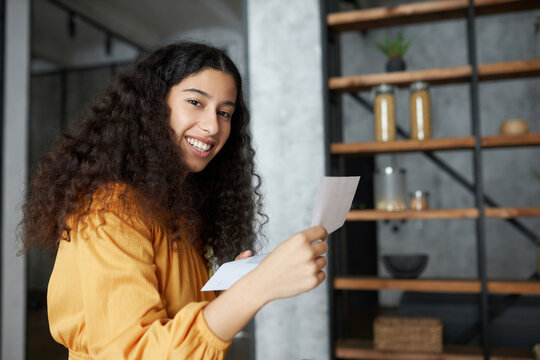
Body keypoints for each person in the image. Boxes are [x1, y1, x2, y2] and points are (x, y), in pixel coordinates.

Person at [21, 42, 328, 359]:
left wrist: (230, 290)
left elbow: (177, 314)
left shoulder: (177, 204)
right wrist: (258, 287)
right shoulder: (111, 209)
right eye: (196, 102)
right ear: (153, 105)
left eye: (225, 112)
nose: (212, 126)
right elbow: (136, 350)